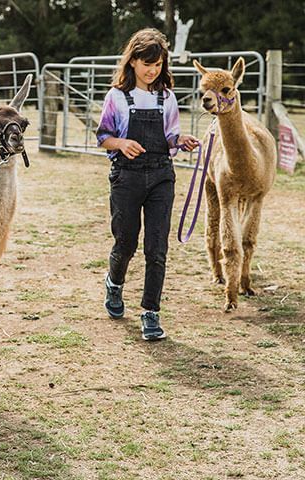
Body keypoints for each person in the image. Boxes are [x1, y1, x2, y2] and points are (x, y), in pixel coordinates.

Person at [95, 28, 198, 341]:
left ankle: (150, 313)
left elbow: (169, 136)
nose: (152, 70)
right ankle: (114, 284)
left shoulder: (167, 97)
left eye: (157, 65)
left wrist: (180, 139)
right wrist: (121, 143)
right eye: (146, 64)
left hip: (161, 177)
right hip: (126, 177)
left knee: (157, 249)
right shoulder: (116, 97)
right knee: (126, 243)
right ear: (133, 62)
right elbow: (103, 137)